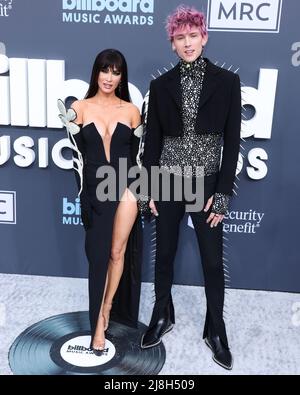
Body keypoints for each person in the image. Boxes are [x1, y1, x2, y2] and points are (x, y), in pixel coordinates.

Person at [140, 5, 241, 370]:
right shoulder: (160, 85)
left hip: (207, 183)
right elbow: (153, 142)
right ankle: (162, 315)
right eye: (180, 38)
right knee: (163, 254)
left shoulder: (227, 82)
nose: (187, 43)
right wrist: (147, 189)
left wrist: (224, 192)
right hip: (167, 180)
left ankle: (216, 328)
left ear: (204, 37)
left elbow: (233, 140)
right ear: (172, 43)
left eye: (192, 36)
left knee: (213, 262)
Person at [58, 49, 142, 355]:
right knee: (98, 259)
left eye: (116, 72)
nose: (109, 77)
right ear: (96, 72)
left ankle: (103, 314)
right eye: (105, 70)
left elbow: (137, 160)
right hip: (95, 189)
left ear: (122, 77)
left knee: (117, 252)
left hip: (127, 188)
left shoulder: (132, 111)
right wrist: (82, 195)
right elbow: (77, 161)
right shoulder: (78, 108)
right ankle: (97, 317)